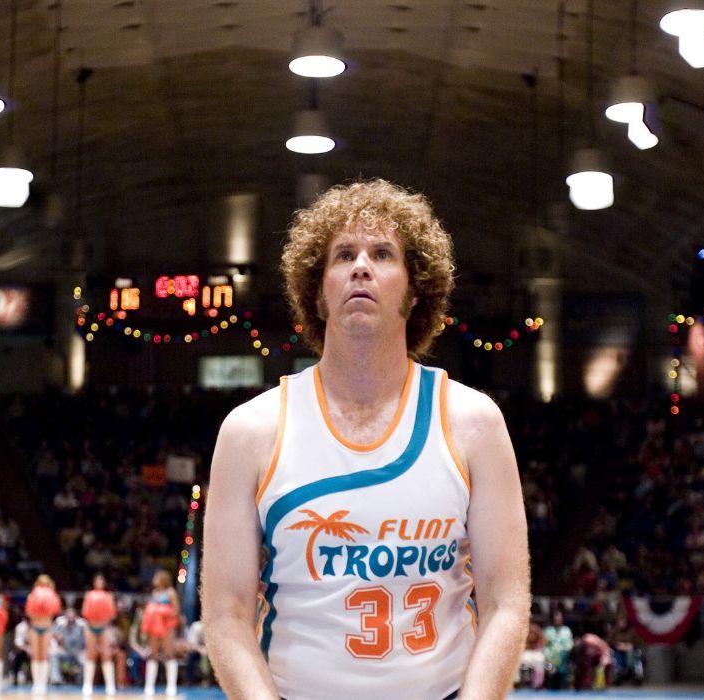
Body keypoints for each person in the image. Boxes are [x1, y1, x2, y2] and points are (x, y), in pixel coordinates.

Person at [201, 179, 531, 699]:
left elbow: (506, 601)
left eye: (382, 254)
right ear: (318, 290)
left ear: (415, 288)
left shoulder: (475, 422)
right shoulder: (249, 432)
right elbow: (226, 615)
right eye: (343, 255)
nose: (361, 266)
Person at [140, 570, 182, 697]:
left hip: (166, 627)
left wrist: (162, 612)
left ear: (163, 579)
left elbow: (176, 611)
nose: (154, 579)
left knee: (169, 654)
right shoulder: (154, 593)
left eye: (156, 577)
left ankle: (171, 686)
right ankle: (149, 686)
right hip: (154, 627)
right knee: (153, 654)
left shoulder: (171, 592)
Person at [80, 574, 119, 696]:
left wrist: (103, 616)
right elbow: (84, 612)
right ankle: (87, 685)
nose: (99, 582)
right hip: (91, 627)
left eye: (101, 580)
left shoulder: (109, 596)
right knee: (90, 655)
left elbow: (113, 614)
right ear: (93, 582)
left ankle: (110, 685)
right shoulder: (89, 595)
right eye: (97, 580)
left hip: (104, 627)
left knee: (106, 655)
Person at [24, 575, 62, 695]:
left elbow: (56, 611)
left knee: (44, 655)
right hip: (35, 627)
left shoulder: (53, 596)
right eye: (41, 583)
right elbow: (28, 612)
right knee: (35, 655)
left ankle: (43, 683)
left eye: (46, 583)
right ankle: (36, 683)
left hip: (46, 628)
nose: (44, 586)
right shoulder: (32, 596)